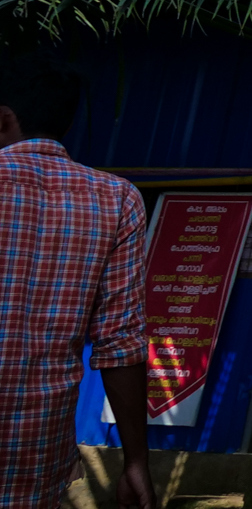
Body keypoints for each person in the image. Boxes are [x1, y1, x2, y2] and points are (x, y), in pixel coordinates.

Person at [0, 56, 152, 509]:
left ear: (4, 118)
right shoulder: (118, 199)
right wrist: (136, 462)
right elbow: (121, 343)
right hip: (36, 448)